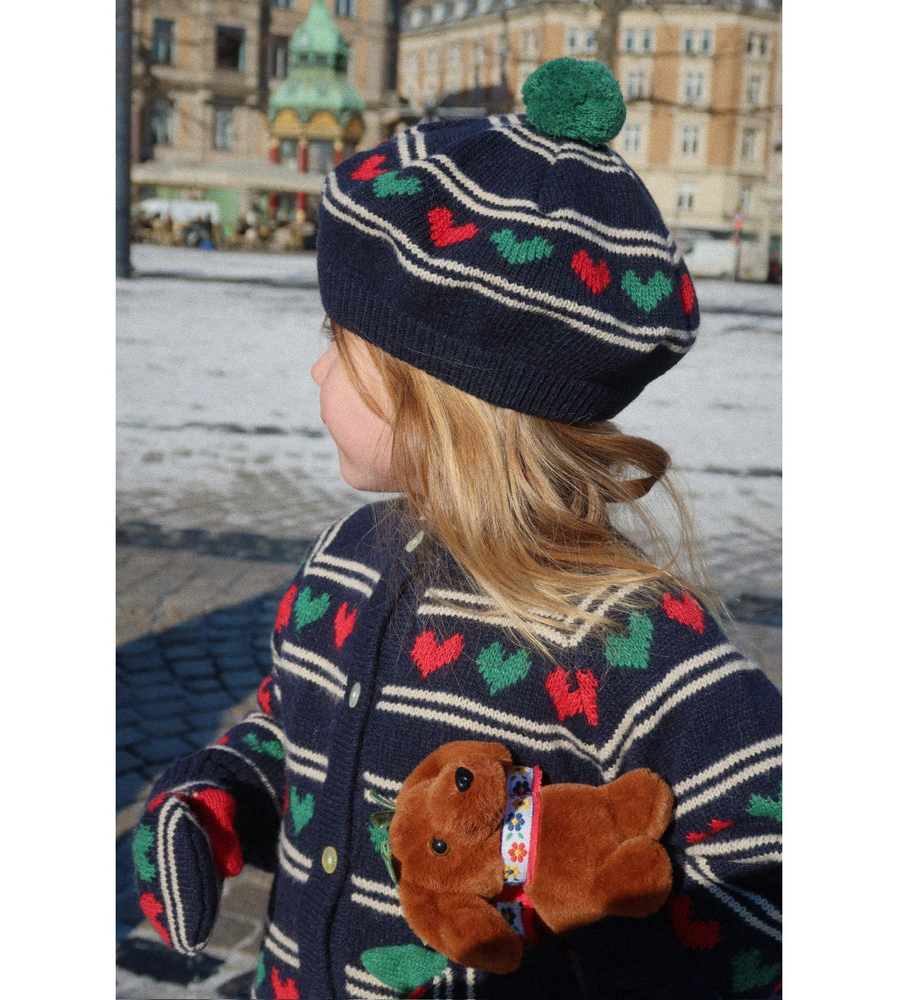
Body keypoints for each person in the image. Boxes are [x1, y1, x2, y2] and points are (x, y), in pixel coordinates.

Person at [132, 59, 782, 999]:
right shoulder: (345, 562)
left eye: (339, 345)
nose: (317, 373)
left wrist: (607, 918)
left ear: (443, 397)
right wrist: (221, 796)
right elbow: (294, 728)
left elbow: (766, 865)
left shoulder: (628, 636)